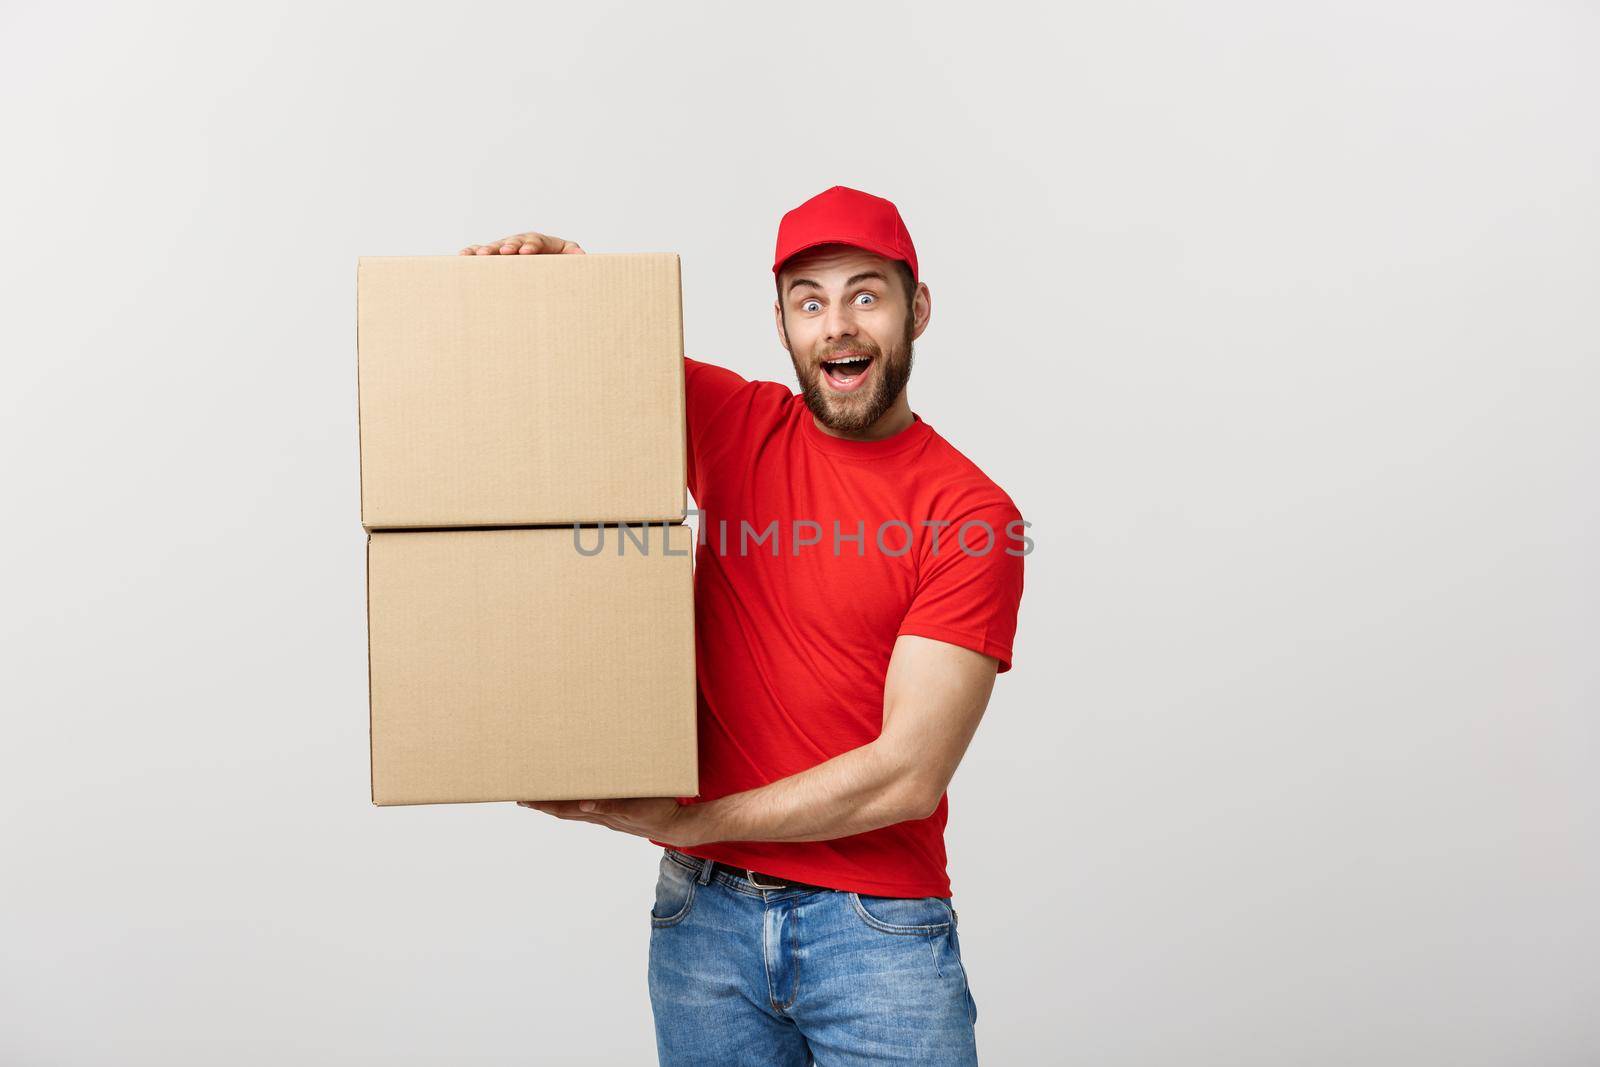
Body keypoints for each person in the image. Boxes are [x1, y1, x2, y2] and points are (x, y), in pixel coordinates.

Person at [461, 186, 1026, 1065]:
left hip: (876, 937)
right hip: (704, 924)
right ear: (782, 324)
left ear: (917, 310)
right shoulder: (735, 424)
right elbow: (577, 358)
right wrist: (558, 287)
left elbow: (907, 774)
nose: (837, 324)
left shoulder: (972, 515)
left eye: (865, 295)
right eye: (810, 301)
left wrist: (693, 819)